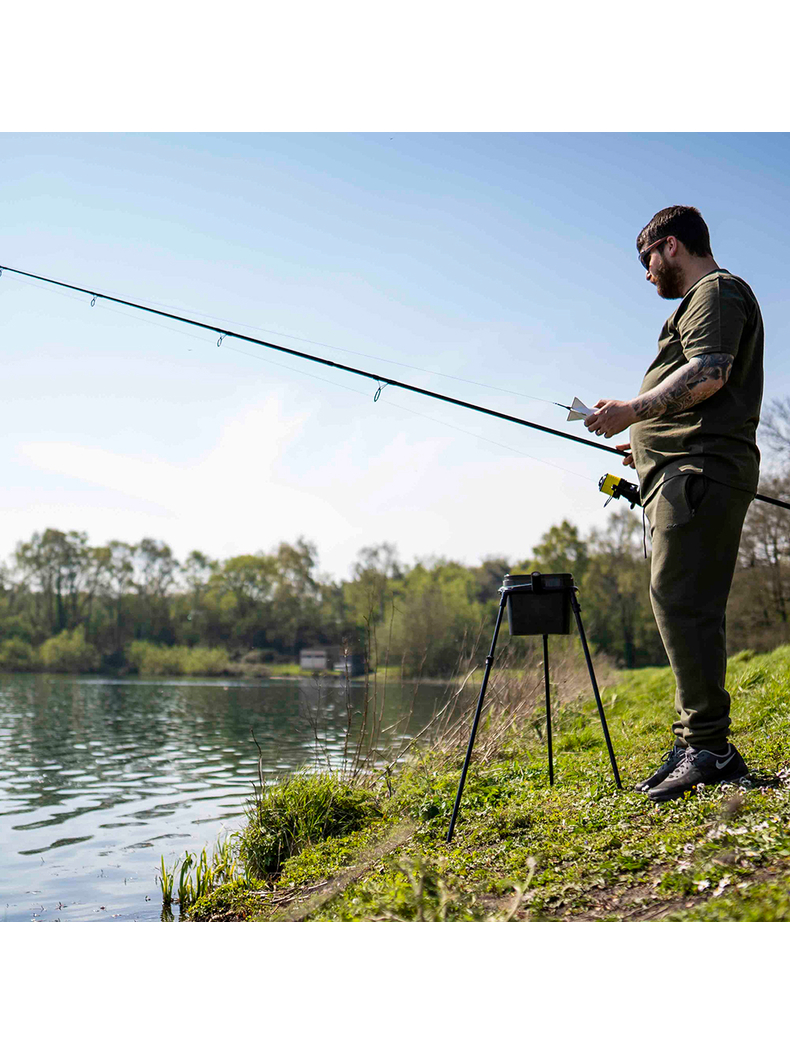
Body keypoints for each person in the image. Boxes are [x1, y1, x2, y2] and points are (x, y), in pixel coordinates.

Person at [584, 205, 763, 802]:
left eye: (647, 260)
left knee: (681, 602)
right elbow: (701, 392)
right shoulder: (705, 299)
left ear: (671, 246)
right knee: (681, 601)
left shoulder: (715, 291)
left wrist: (631, 415)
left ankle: (709, 747)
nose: (646, 275)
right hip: (683, 470)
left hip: (700, 473)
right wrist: (648, 446)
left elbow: (710, 373)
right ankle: (700, 742)